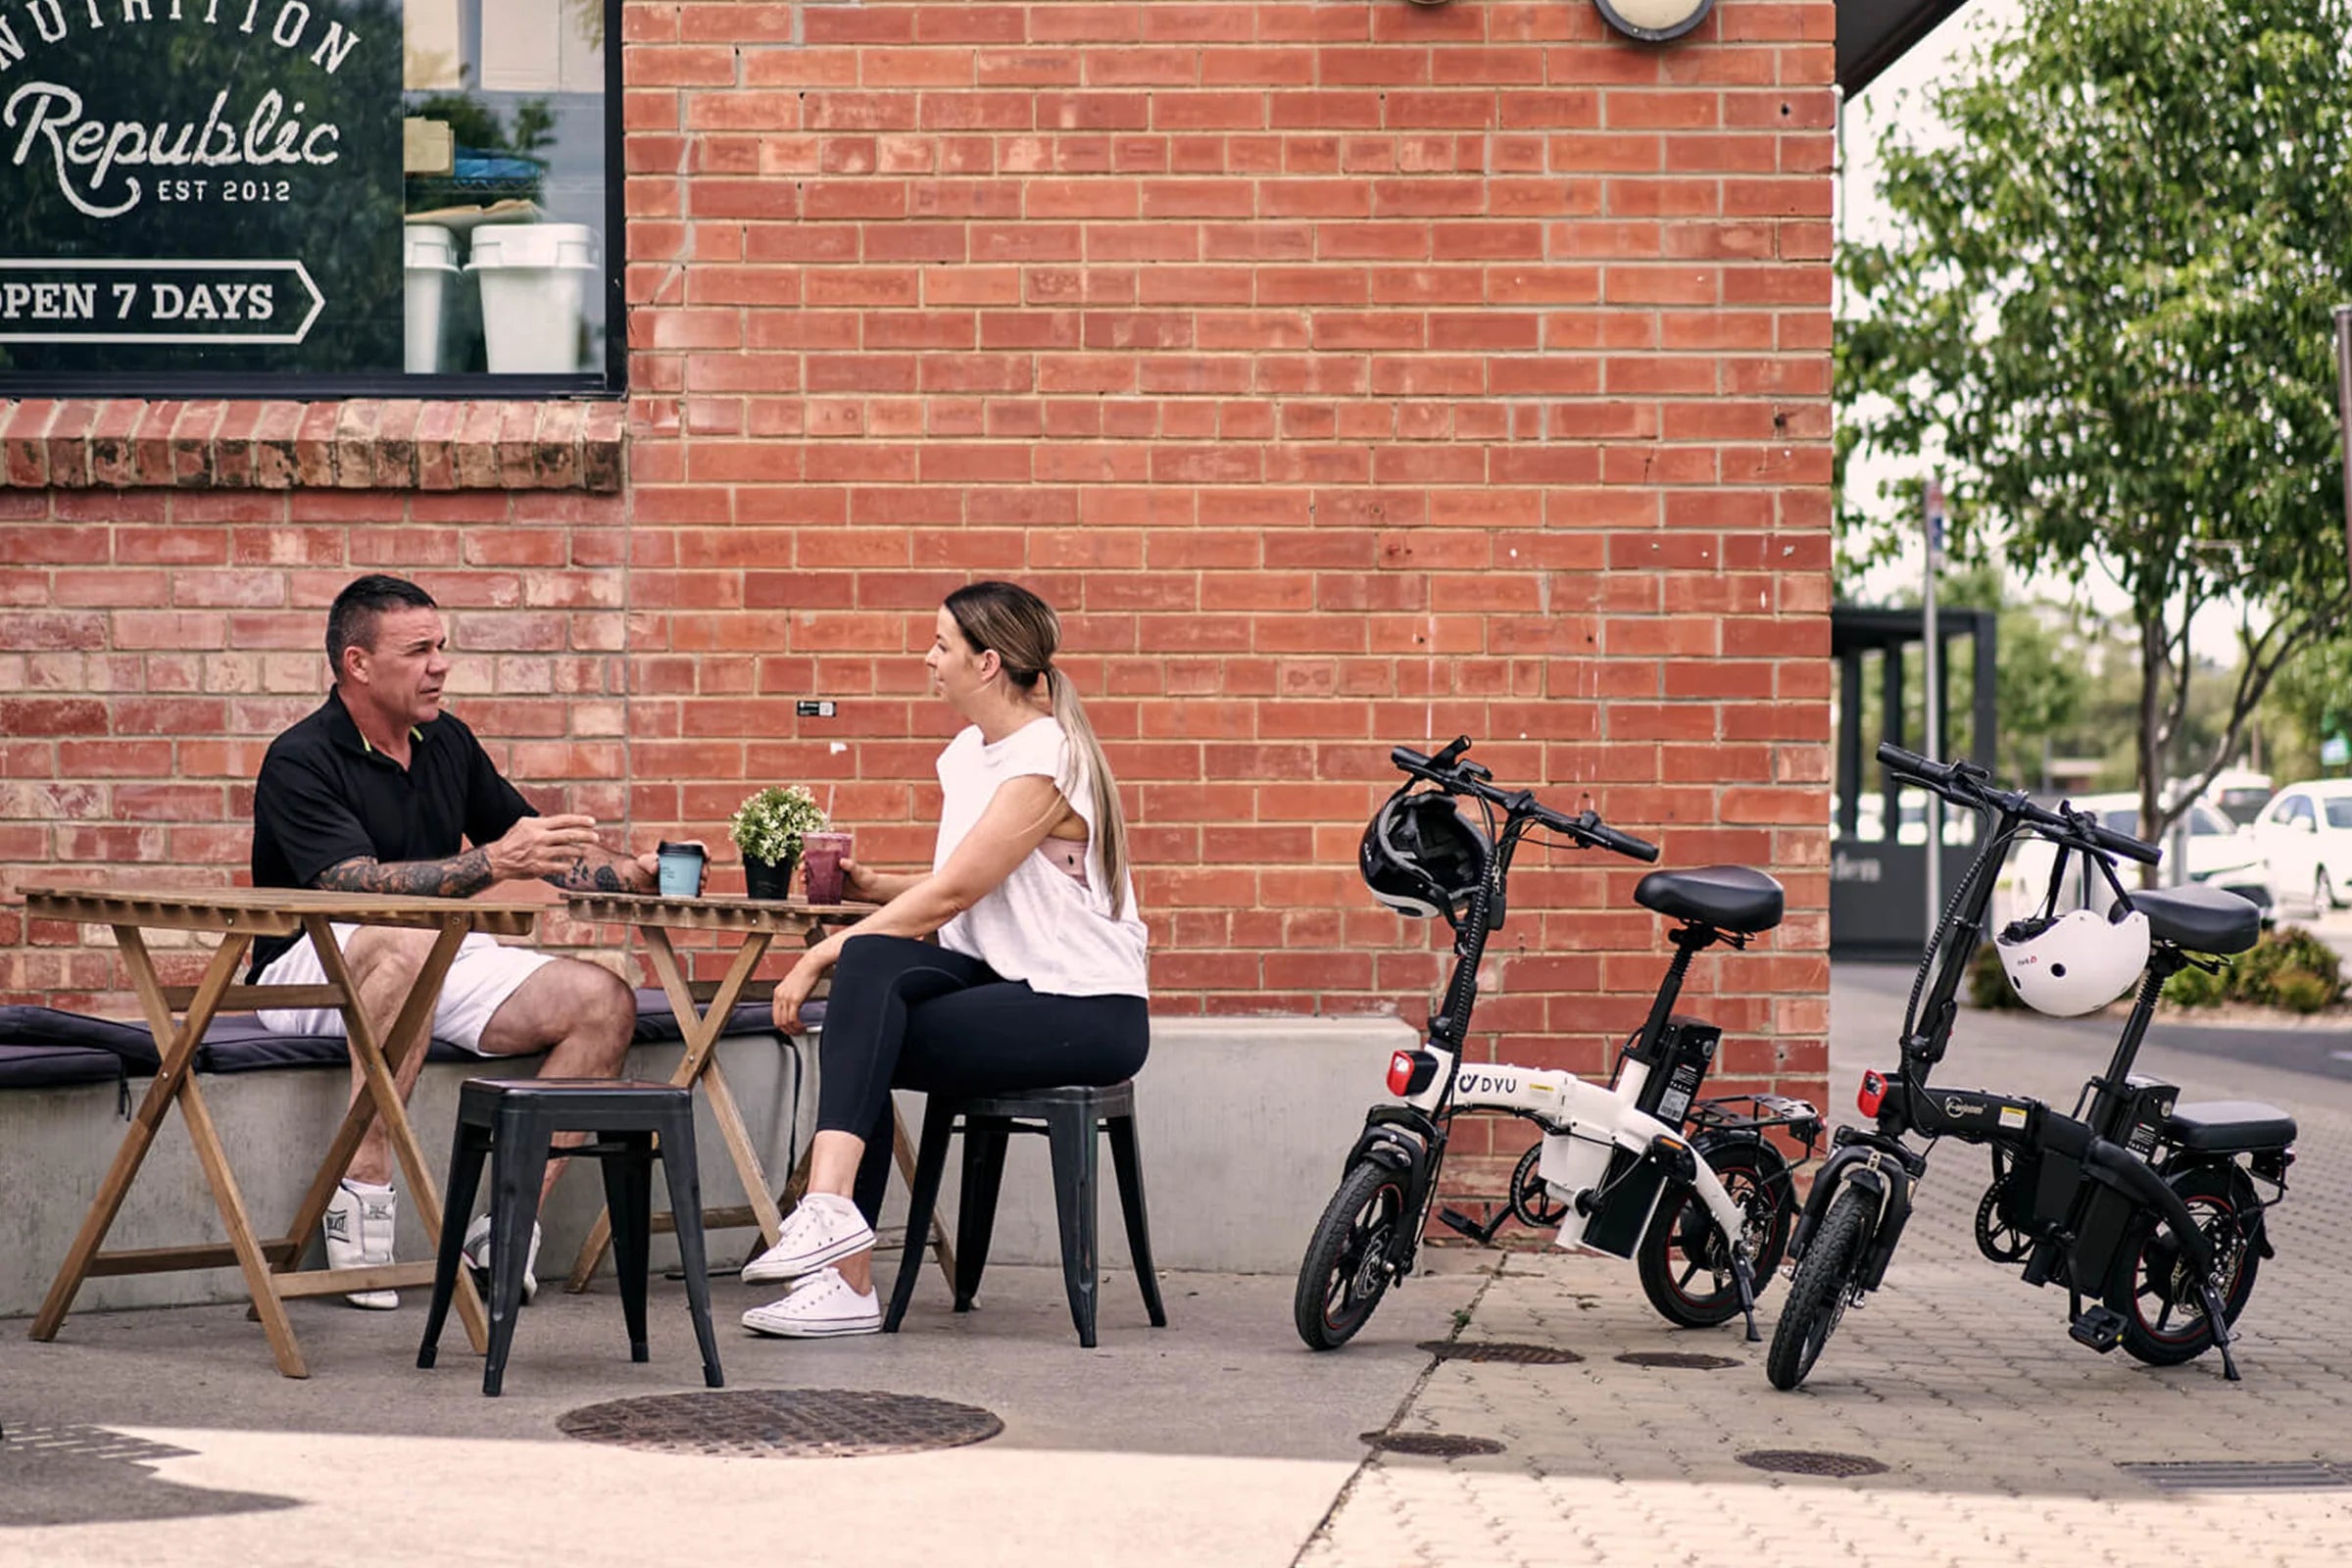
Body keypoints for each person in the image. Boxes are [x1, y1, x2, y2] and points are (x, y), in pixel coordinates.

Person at [741, 581, 1151, 1338]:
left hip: (1085, 1008)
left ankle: (837, 1251)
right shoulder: (970, 754)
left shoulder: (1047, 756)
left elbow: (957, 891)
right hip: (1000, 982)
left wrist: (816, 957)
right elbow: (974, 881)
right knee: (871, 978)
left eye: (940, 644)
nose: (926, 658)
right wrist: (876, 889)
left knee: (860, 1005)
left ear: (987, 662)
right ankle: (839, 1247)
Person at [250, 573, 662, 1309]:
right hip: (309, 960)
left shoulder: (446, 742)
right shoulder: (300, 759)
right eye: (419, 650)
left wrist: (631, 872)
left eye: (442, 646)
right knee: (404, 943)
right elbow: (349, 885)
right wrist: (493, 864)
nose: (440, 664)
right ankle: (363, 1186)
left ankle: (508, 1222)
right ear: (358, 664)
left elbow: (531, 843)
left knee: (601, 1000)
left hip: (430, 954)